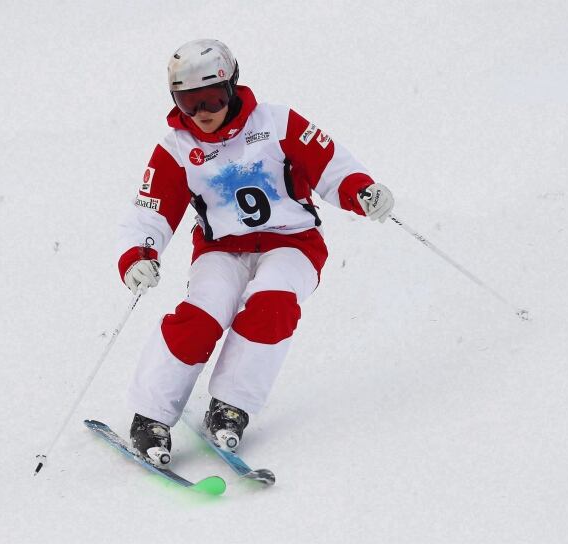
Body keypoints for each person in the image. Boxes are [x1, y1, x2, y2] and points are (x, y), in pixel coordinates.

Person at [118, 39, 394, 467]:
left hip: (293, 242)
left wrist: (362, 190)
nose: (202, 112)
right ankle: (150, 416)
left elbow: (331, 166)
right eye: (188, 102)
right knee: (202, 316)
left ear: (232, 87)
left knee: (273, 305)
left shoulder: (276, 123)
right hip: (221, 250)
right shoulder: (176, 148)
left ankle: (230, 406)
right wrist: (139, 254)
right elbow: (150, 212)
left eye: (212, 98)